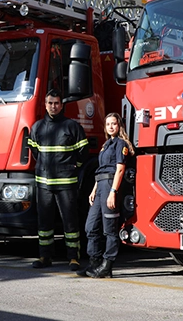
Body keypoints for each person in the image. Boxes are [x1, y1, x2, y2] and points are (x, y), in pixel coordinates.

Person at [27, 89, 88, 270]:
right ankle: (45, 257)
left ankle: (73, 258)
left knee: (70, 221)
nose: (53, 106)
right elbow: (35, 151)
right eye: (50, 103)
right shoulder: (37, 127)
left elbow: (83, 153)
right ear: (45, 105)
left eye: (56, 103)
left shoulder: (72, 126)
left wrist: (70, 167)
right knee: (44, 223)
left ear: (61, 105)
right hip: (44, 183)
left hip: (66, 183)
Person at [79, 112, 133, 278]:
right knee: (90, 227)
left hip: (110, 185)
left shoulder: (120, 144)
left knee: (109, 230)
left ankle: (107, 265)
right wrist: (94, 189)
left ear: (119, 125)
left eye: (114, 124)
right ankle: (94, 263)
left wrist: (113, 192)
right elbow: (101, 169)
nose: (111, 127)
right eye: (108, 124)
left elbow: (120, 169)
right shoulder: (106, 145)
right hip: (100, 185)